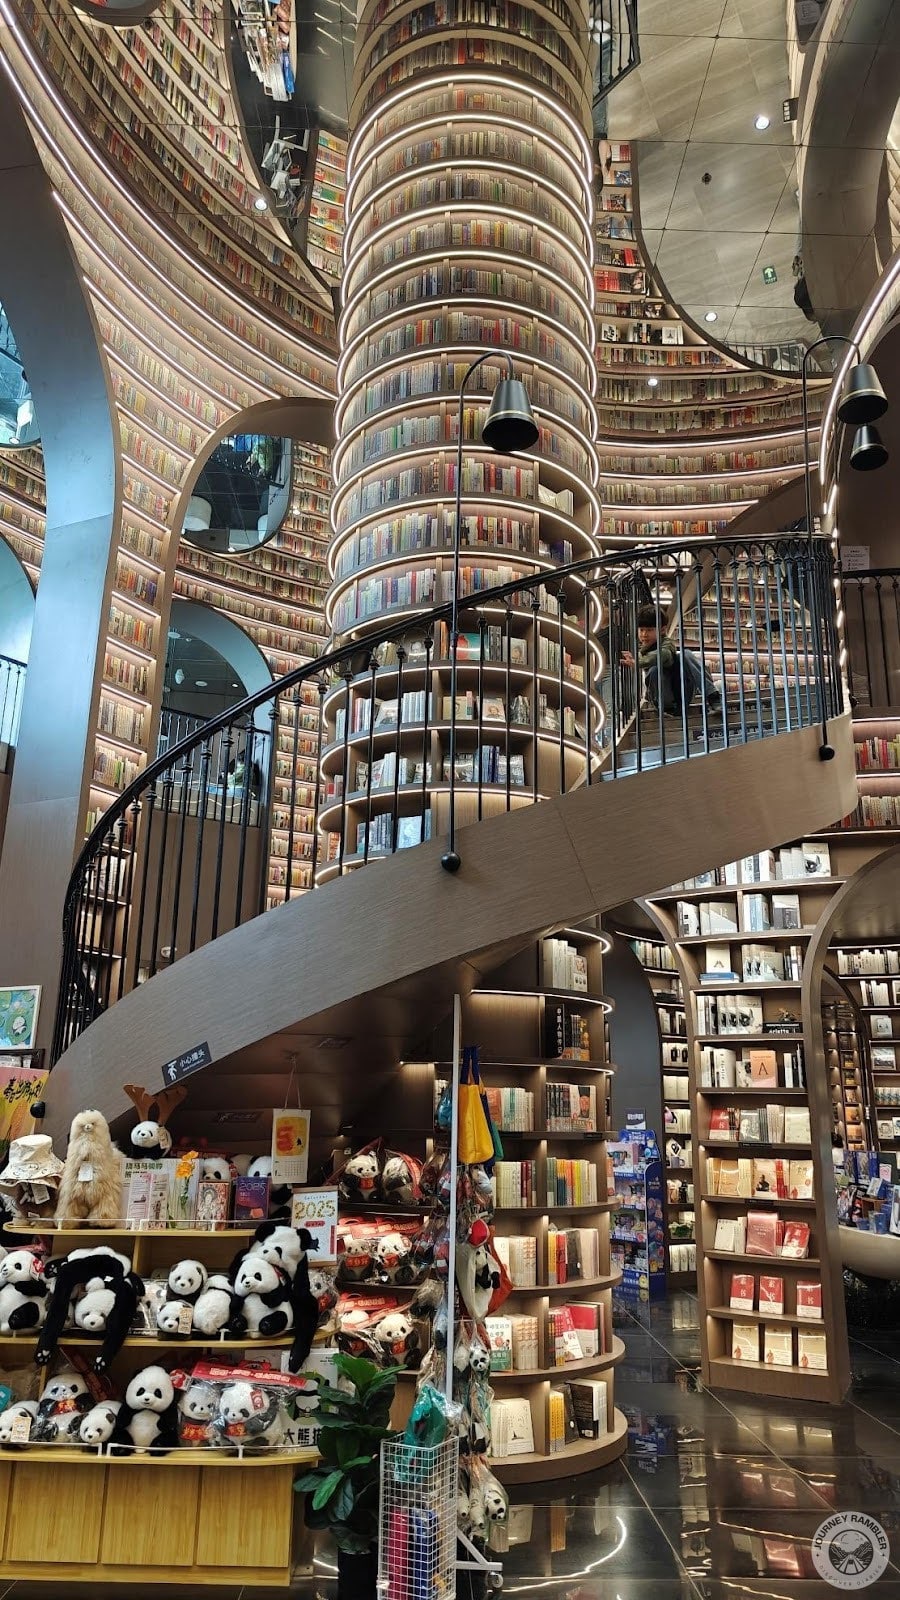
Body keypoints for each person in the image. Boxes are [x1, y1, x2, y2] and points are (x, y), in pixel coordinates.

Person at [621, 605, 720, 717]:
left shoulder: (667, 644)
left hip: (682, 693)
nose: (644, 634)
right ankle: (665, 709)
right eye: (641, 630)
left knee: (685, 654)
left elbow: (663, 654)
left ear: (663, 630)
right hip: (662, 700)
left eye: (649, 630)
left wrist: (638, 662)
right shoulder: (641, 652)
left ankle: (713, 697)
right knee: (655, 670)